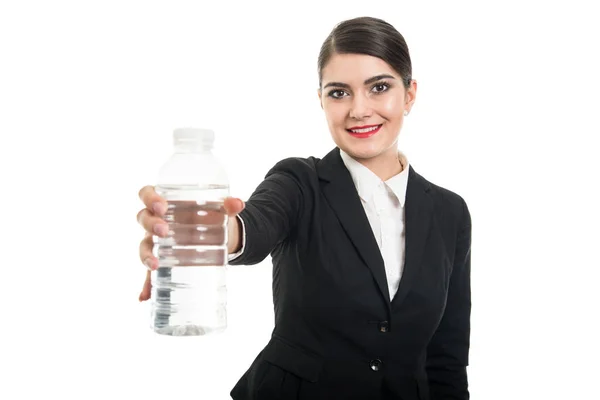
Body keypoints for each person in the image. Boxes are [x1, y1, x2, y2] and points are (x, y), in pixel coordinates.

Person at [137, 16, 472, 400]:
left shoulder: (450, 213)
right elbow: (254, 225)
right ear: (321, 100)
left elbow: (446, 358)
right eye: (339, 92)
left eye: (379, 87)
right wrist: (204, 231)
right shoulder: (299, 182)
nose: (359, 110)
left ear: (410, 94)